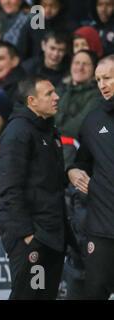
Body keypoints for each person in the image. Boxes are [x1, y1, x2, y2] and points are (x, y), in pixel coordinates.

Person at [0, 75, 68, 300]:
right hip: (34, 236)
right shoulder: (18, 132)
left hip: (51, 235)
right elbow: (9, 188)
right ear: (32, 101)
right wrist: (28, 235)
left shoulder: (48, 131)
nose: (57, 97)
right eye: (49, 94)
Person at [67, 54, 114, 300]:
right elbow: (82, 161)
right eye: (97, 79)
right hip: (102, 228)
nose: (102, 85)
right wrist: (73, 171)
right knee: (95, 292)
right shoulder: (93, 120)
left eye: (107, 78)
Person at [55, 50, 100, 140]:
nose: (80, 67)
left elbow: (78, 127)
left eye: (85, 64)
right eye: (76, 63)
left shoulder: (97, 96)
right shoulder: (59, 90)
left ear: (94, 69)